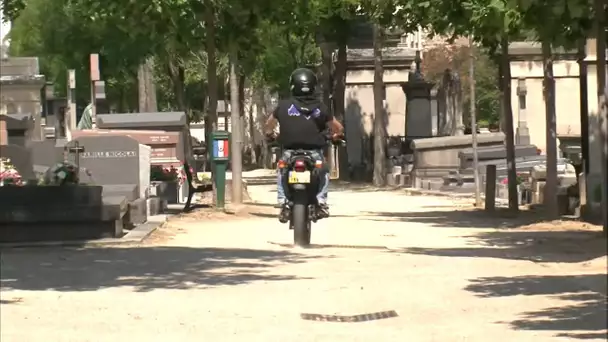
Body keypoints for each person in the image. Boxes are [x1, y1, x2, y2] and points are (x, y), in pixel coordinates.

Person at [264, 68, 344, 222]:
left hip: (289, 152)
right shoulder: (321, 107)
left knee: (281, 171)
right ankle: (321, 202)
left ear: (293, 85)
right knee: (324, 172)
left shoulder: (283, 106)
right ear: (313, 86)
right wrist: (336, 136)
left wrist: (271, 135)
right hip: (314, 153)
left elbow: (269, 125)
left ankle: (283, 203)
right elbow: (338, 128)